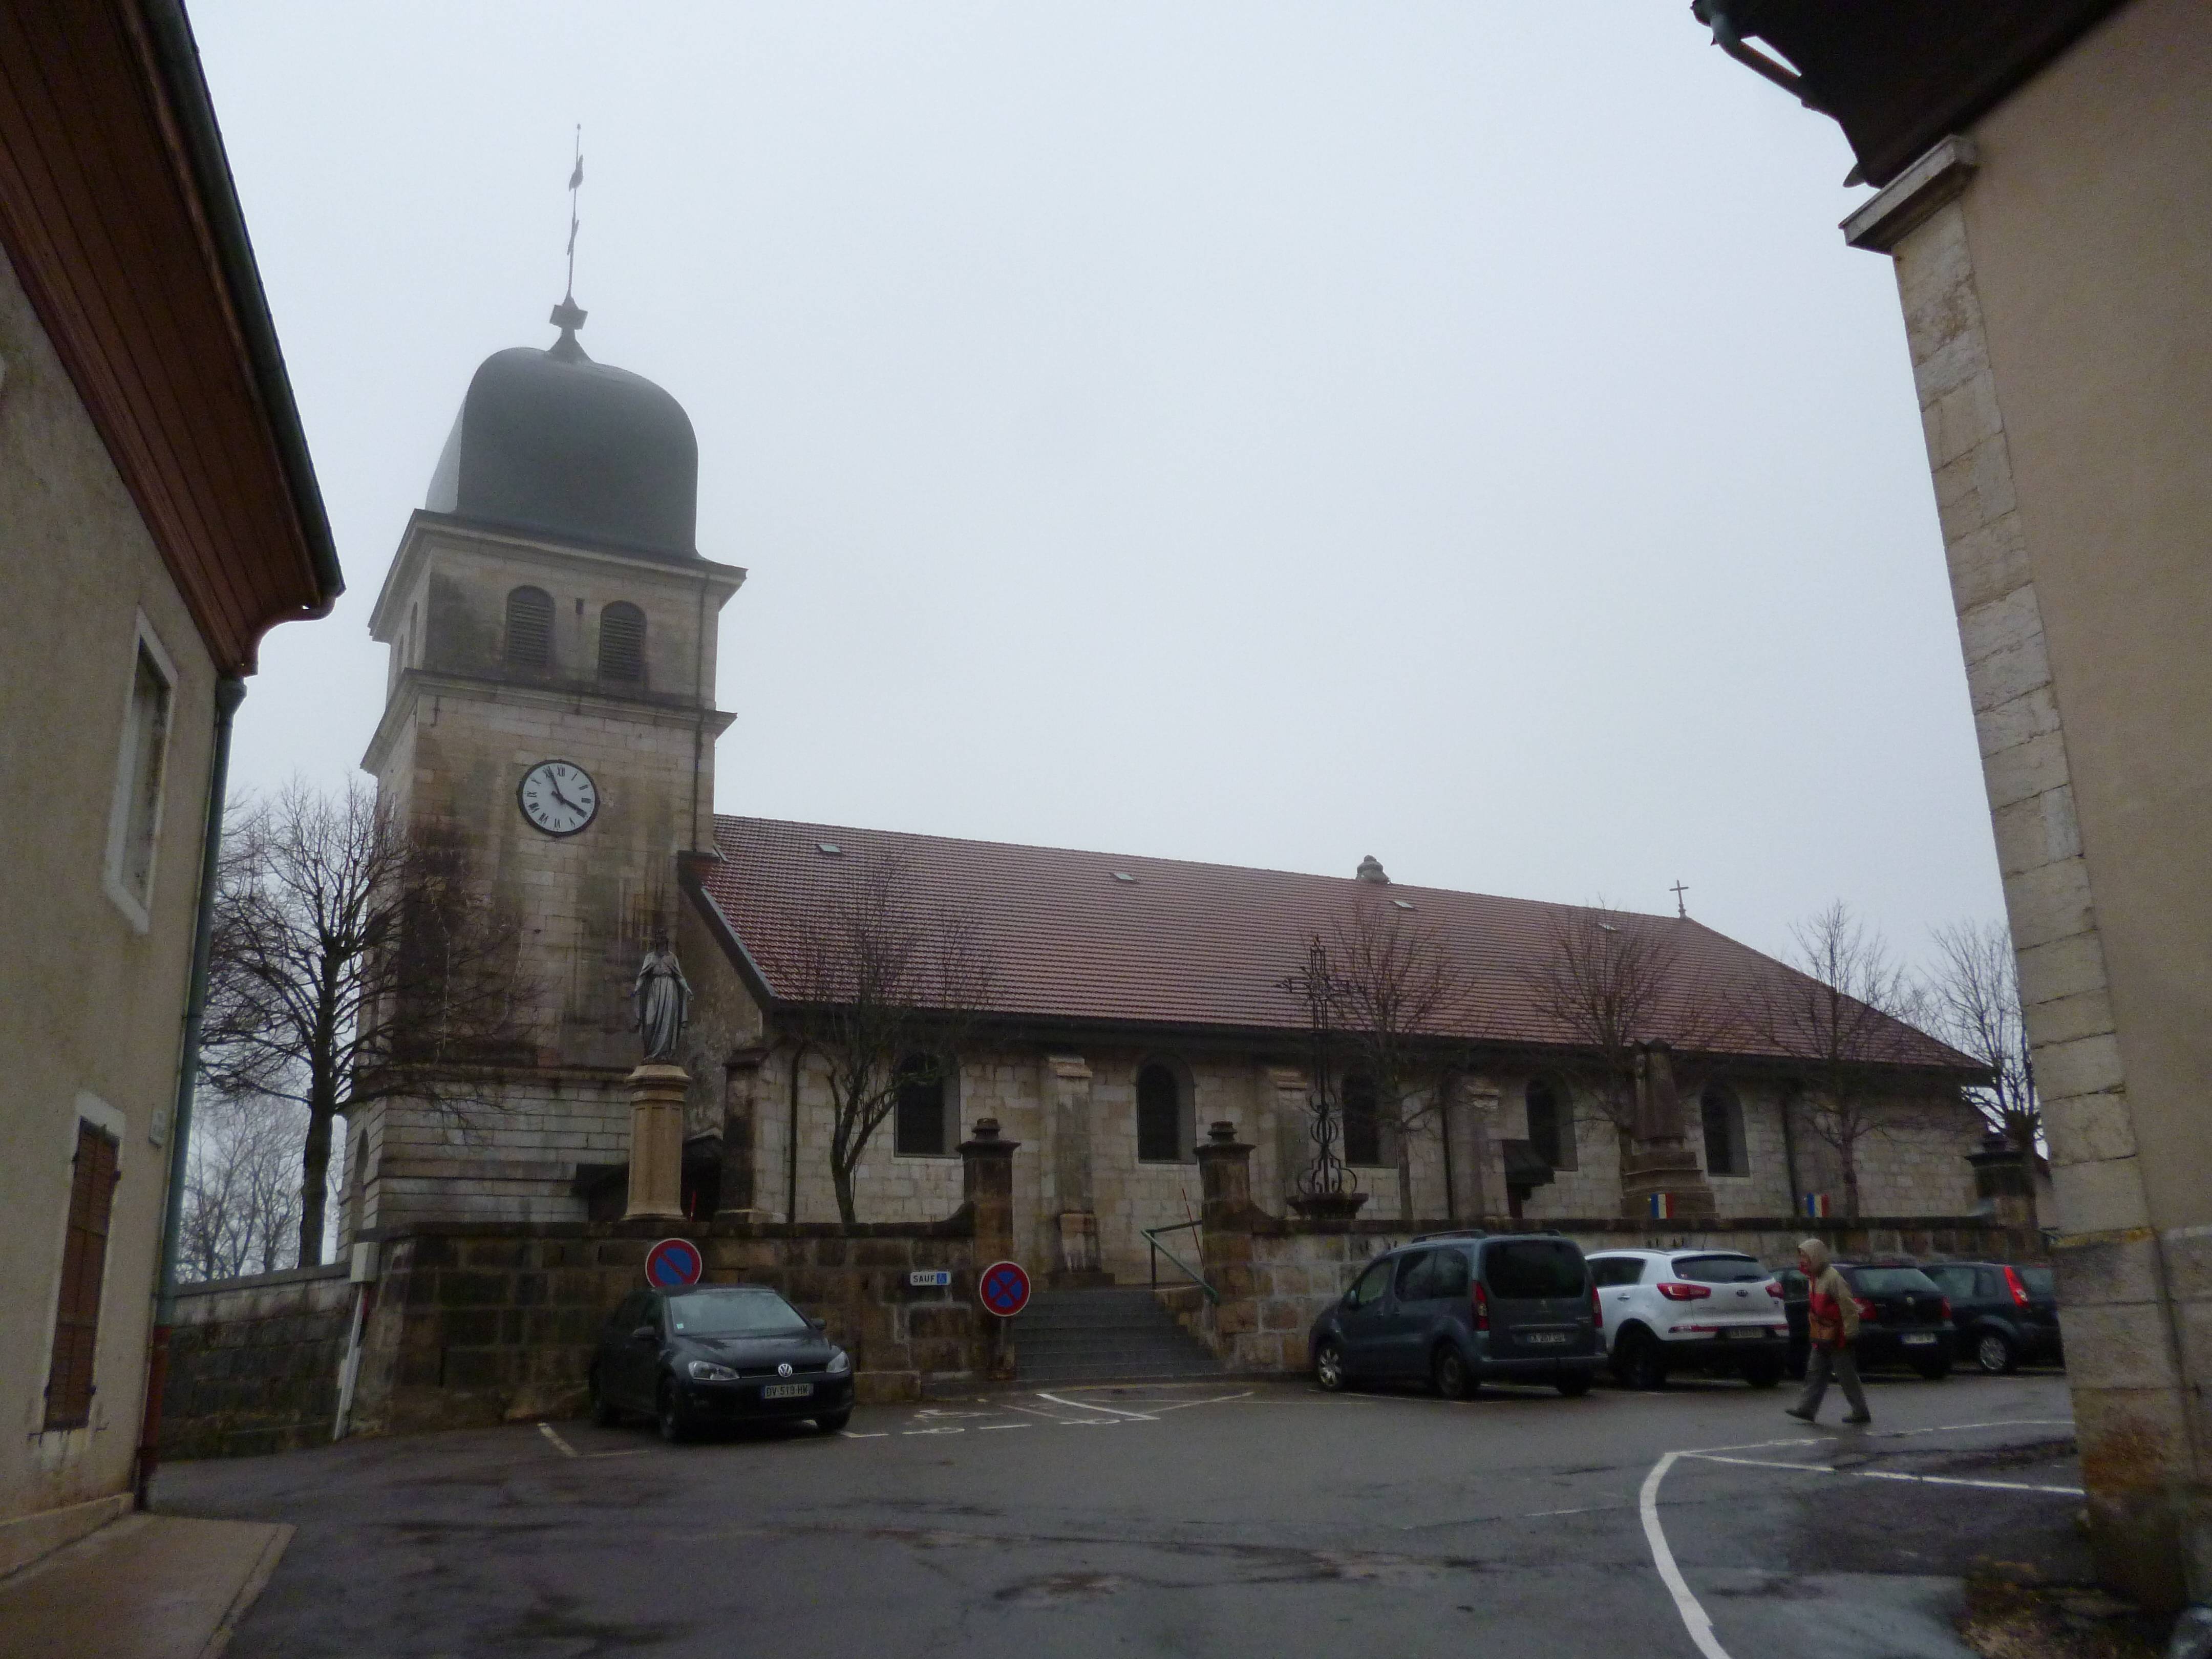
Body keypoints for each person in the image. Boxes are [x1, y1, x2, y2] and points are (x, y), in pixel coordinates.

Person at [1785, 1237, 1870, 1426]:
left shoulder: (1832, 1277)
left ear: (1815, 1256)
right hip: (1822, 1334)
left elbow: (1848, 1306)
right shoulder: (1813, 1278)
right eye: (1801, 1257)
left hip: (1838, 1335)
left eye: (1805, 1256)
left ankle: (1860, 1411)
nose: (1803, 1261)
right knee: (1814, 1372)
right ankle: (1806, 1409)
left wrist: (1850, 1333)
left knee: (1846, 1376)